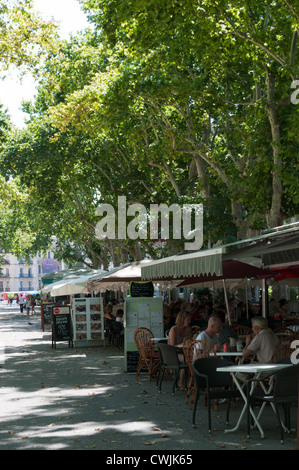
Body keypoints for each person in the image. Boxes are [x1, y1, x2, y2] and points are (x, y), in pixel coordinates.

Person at [168, 311, 192, 389]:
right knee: (188, 359)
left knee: (193, 358)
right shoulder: (173, 330)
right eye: (187, 319)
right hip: (172, 353)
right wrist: (183, 345)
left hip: (183, 352)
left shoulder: (188, 329)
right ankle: (181, 382)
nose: (189, 321)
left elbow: (189, 341)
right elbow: (172, 346)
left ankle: (193, 381)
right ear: (182, 319)